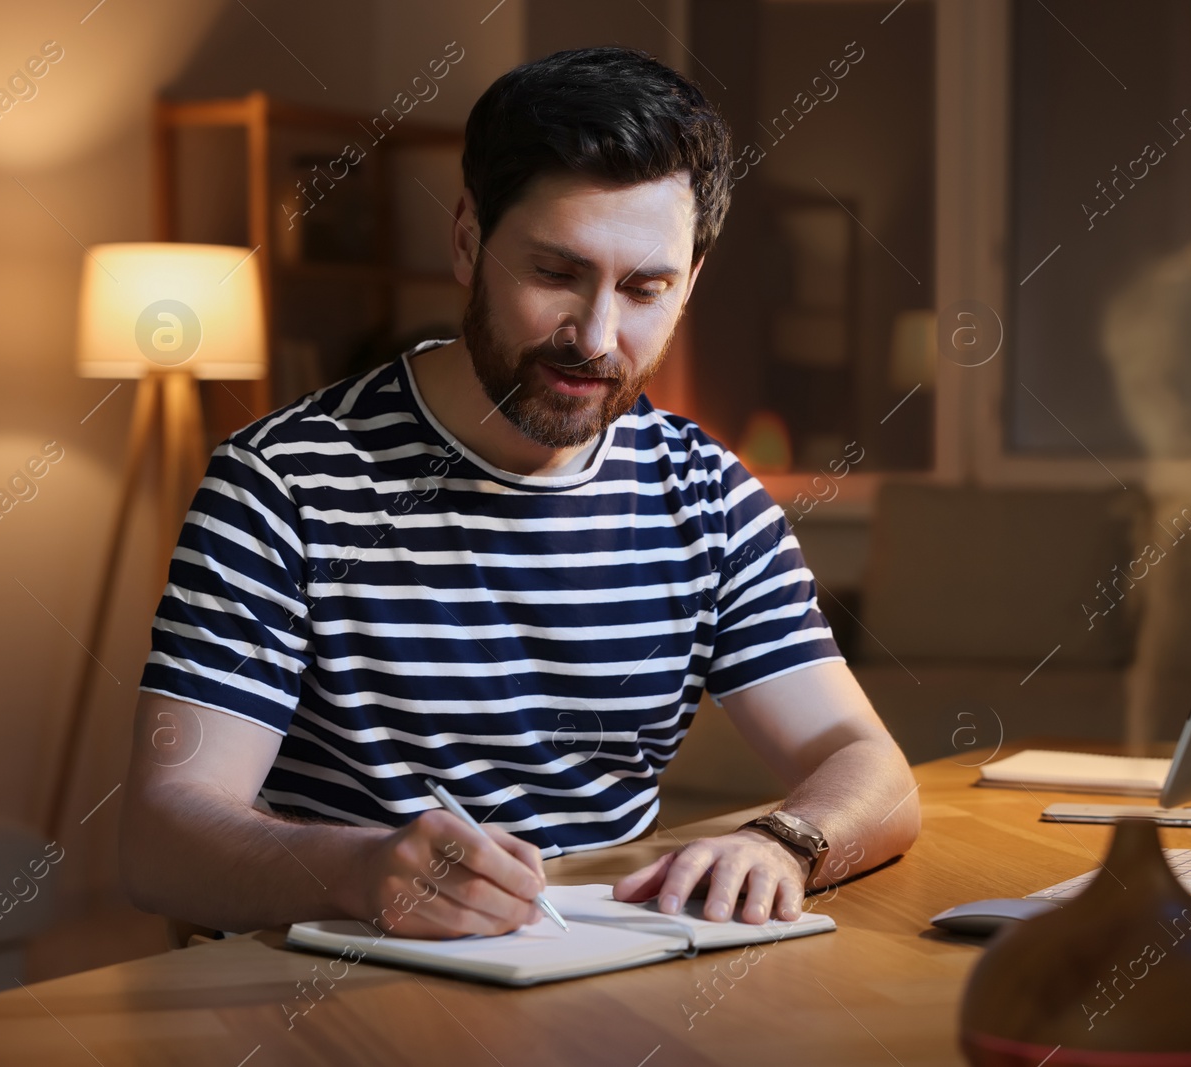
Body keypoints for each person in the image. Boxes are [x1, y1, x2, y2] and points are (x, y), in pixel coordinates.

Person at [119, 46, 919, 938]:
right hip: (335, 992)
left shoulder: (710, 500)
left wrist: (786, 839)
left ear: (690, 284)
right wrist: (364, 869)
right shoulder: (281, 485)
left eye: (645, 288)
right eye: (554, 273)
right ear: (467, 243)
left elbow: (869, 765)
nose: (596, 335)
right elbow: (162, 839)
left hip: (605, 986)